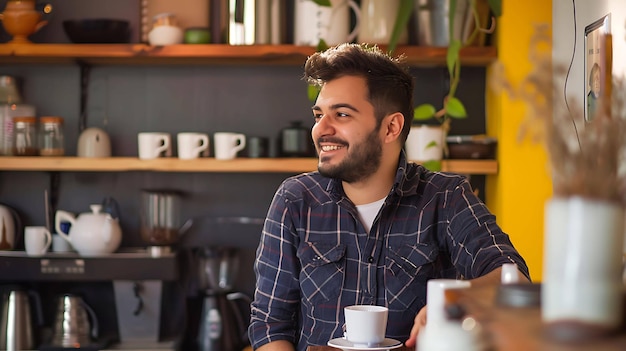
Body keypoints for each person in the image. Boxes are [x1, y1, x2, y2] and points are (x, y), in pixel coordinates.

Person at [248, 43, 530, 351]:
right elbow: (269, 324)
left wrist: (452, 301)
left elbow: (513, 280)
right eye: (319, 115)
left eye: (341, 114)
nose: (320, 130)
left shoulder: (444, 197)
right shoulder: (296, 200)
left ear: (391, 127)